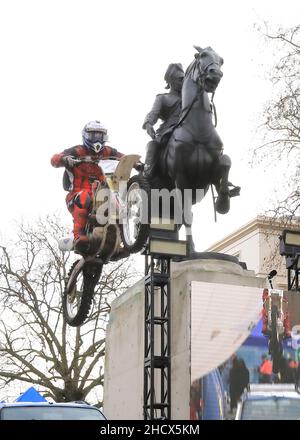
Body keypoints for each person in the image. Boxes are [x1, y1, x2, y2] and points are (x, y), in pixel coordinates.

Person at [51, 120, 125, 253]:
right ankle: (78, 235)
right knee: (84, 197)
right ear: (85, 136)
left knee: (118, 203)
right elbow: (54, 159)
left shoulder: (107, 152)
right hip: (76, 195)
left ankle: (120, 241)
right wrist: (64, 159)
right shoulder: (78, 151)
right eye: (93, 135)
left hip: (100, 194)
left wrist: (138, 164)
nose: (97, 139)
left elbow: (123, 157)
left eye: (100, 136)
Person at [142, 63, 184, 178]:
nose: (182, 82)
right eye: (180, 79)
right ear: (171, 81)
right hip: (167, 130)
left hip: (188, 127)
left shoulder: (189, 98)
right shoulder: (162, 98)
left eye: (184, 79)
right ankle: (147, 175)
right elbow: (153, 114)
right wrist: (148, 124)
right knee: (153, 145)